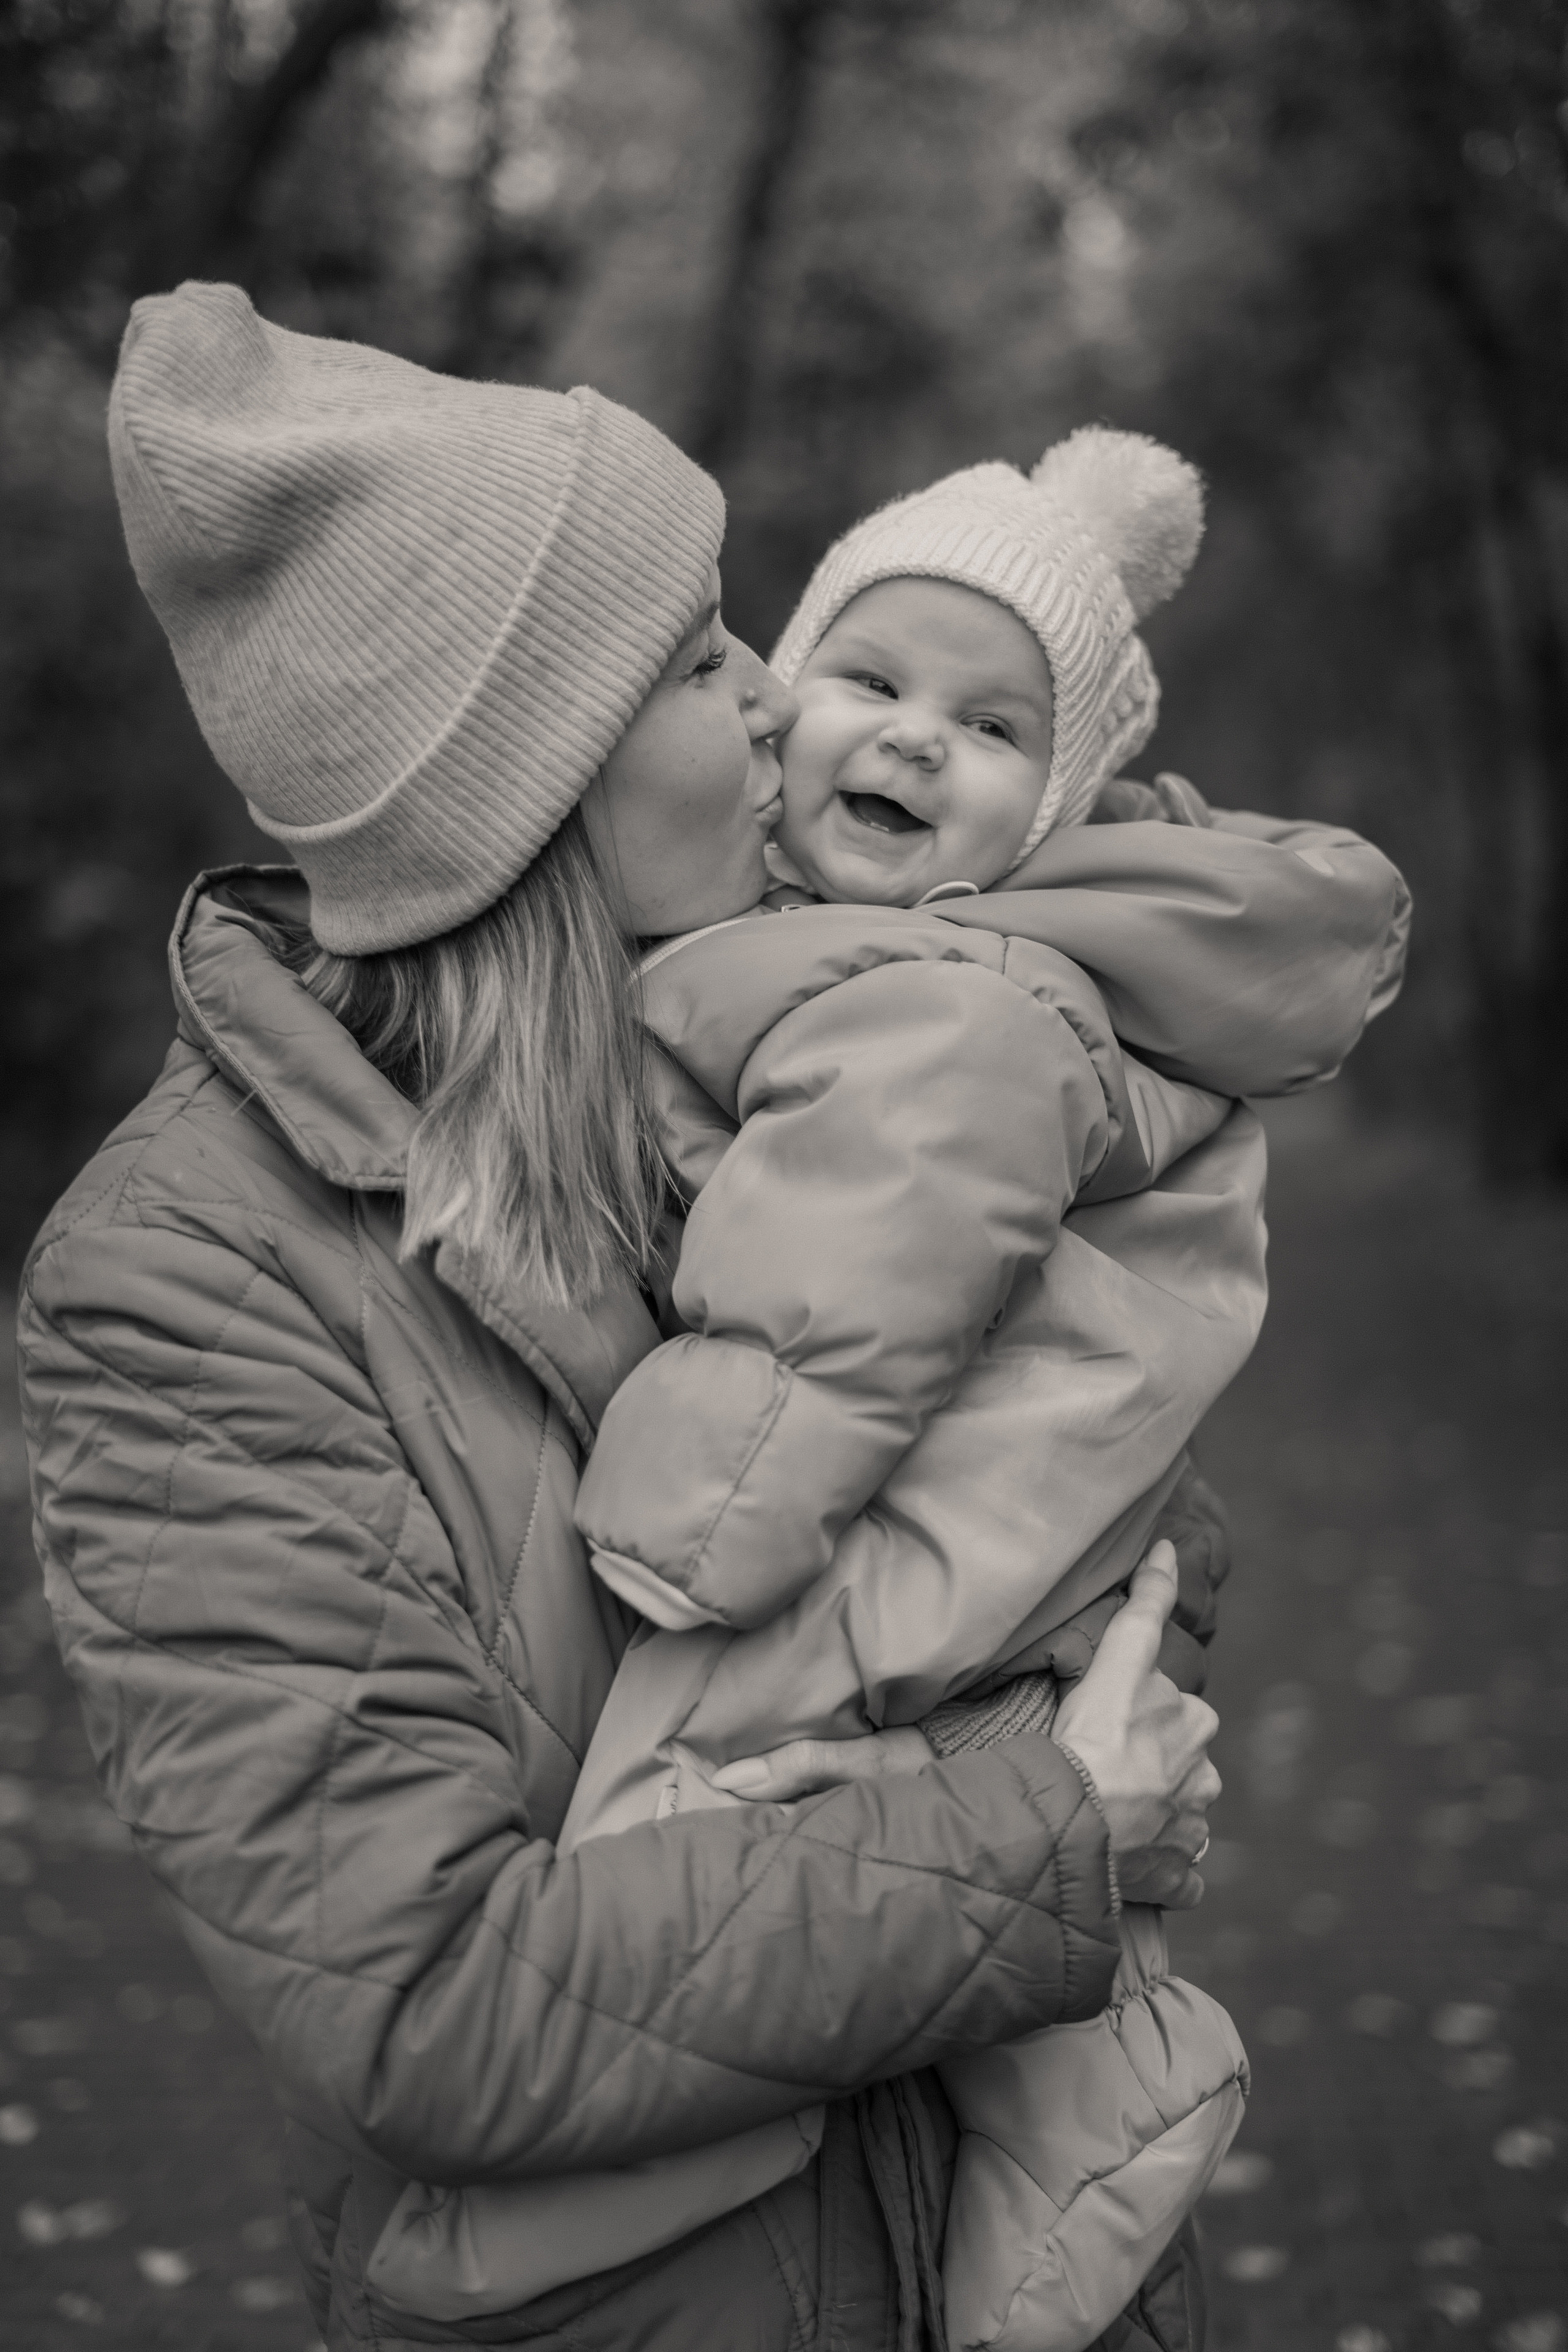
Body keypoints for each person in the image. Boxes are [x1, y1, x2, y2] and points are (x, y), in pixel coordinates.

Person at [17, 283, 1223, 2352]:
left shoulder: (785, 1061)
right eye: (692, 658)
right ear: (529, 786)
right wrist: (1039, 1837)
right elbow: (428, 2011)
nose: (776, 697)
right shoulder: (187, 1288)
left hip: (1003, 2255)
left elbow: (1127, 1524)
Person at [363, 437, 1409, 2345]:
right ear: (783, 702)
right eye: (873, 681)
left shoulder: (939, 997)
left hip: (863, 1514)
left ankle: (555, 2225)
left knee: (677, 1820)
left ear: (1056, 801)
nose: (917, 739)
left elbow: (838, 1306)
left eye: (992, 724)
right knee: (958, 1819)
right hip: (990, 1516)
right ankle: (1091, 2114)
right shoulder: (901, 948)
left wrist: (686, 1530)